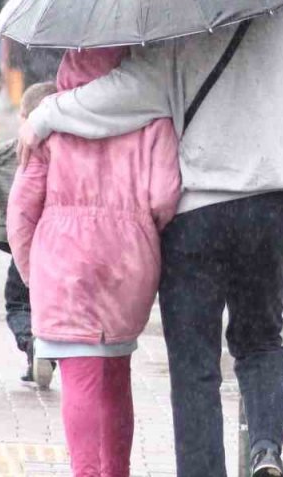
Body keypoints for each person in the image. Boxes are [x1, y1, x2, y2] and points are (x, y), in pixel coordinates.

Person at [19, 11, 283, 477]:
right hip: (272, 205)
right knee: (261, 339)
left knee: (194, 363)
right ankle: (265, 448)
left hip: (198, 211)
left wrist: (45, 115)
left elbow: (127, 94)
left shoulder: (186, 30)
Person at [9, 47, 182, 477]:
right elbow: (165, 195)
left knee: (80, 380)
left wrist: (34, 271)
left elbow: (22, 208)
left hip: (64, 262)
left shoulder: (47, 121)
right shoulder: (153, 119)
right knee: (116, 376)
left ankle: (86, 472)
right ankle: (117, 471)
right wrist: (141, 230)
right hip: (128, 261)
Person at [0, 80, 58, 387]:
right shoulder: (71, 150)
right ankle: (46, 352)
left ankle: (32, 345)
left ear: (25, 118)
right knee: (53, 303)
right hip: (62, 245)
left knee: (19, 302)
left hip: (25, 248)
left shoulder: (12, 153)